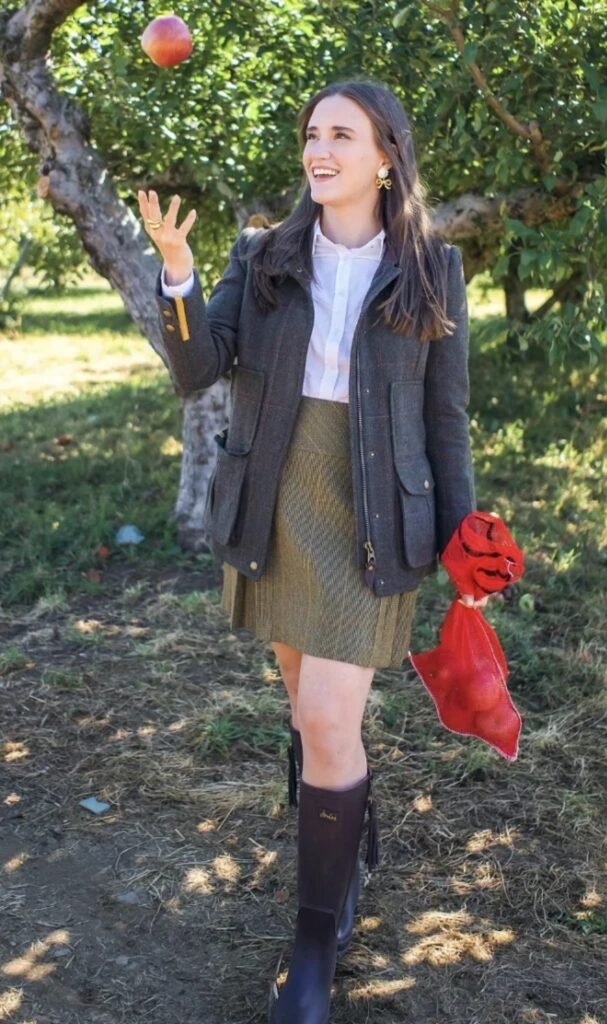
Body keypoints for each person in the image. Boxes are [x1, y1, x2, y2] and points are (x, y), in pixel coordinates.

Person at [138, 77, 488, 1024]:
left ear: (386, 154)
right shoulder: (263, 256)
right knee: (310, 716)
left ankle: (313, 942)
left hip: (374, 510)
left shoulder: (429, 268)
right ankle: (351, 857)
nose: (318, 149)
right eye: (310, 134)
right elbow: (196, 368)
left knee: (328, 721)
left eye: (342, 133)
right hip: (274, 503)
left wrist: (462, 536)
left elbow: (441, 416)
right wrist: (175, 270)